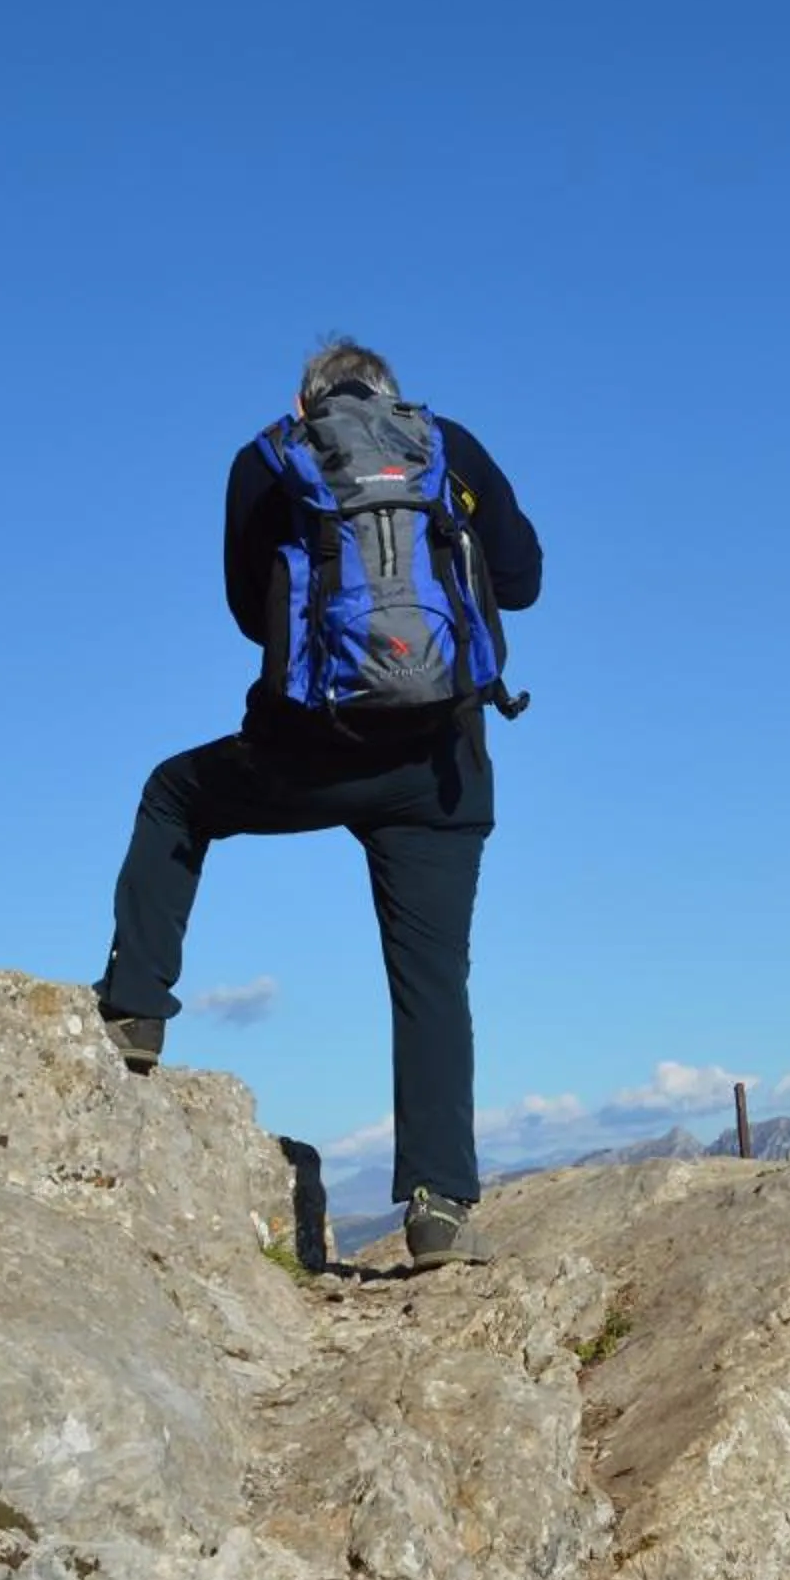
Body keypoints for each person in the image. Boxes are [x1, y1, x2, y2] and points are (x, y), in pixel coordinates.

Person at [93, 338, 541, 1269]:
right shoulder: (448, 445)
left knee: (175, 797)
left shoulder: (268, 458)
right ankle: (438, 1205)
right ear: (393, 395)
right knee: (431, 980)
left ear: (305, 402)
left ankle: (136, 1009)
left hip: (309, 749)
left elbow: (247, 614)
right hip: (443, 766)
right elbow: (524, 580)